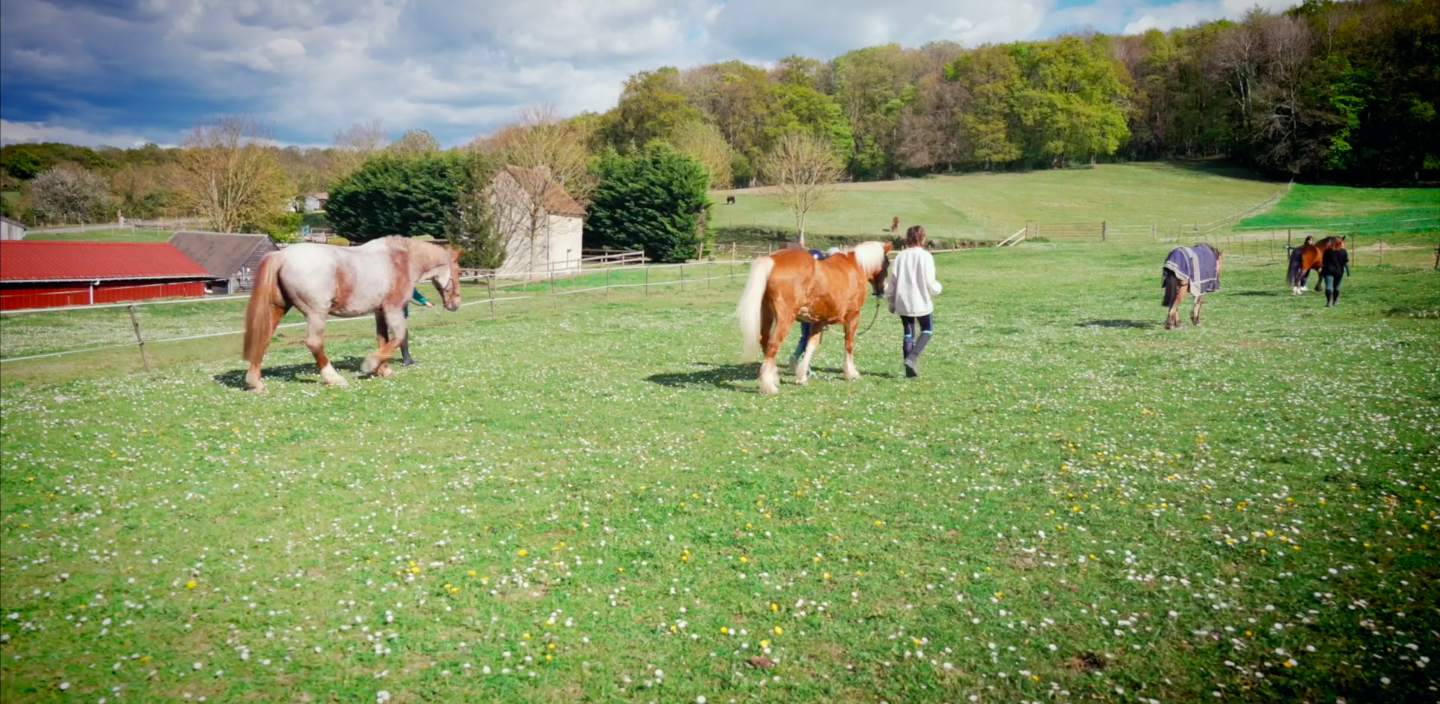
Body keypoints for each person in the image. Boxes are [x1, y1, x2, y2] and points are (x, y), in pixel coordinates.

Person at [884, 225, 942, 378]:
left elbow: (893, 282)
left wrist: (891, 301)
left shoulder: (900, 257)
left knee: (908, 332)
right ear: (922, 238)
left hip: (903, 301)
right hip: (920, 301)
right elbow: (930, 282)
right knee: (927, 329)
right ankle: (912, 357)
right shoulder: (925, 256)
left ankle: (909, 371)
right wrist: (938, 289)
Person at [790, 247, 842, 375]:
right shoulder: (824, 278)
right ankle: (805, 365)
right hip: (816, 312)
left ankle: (796, 356)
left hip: (804, 310)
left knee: (805, 336)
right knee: (812, 338)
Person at [399, 287, 433, 366]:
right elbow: (413, 292)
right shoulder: (405, 281)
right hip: (398, 311)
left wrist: (425, 302)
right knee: (402, 334)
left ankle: (406, 358)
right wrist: (425, 302)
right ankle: (406, 359)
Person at [1321, 239, 1350, 308]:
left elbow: (1323, 262)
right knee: (1337, 287)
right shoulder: (1343, 252)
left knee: (1329, 287)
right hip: (1339, 272)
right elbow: (1346, 263)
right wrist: (1348, 273)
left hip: (1328, 271)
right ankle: (1335, 301)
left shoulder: (1327, 251)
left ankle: (1328, 302)